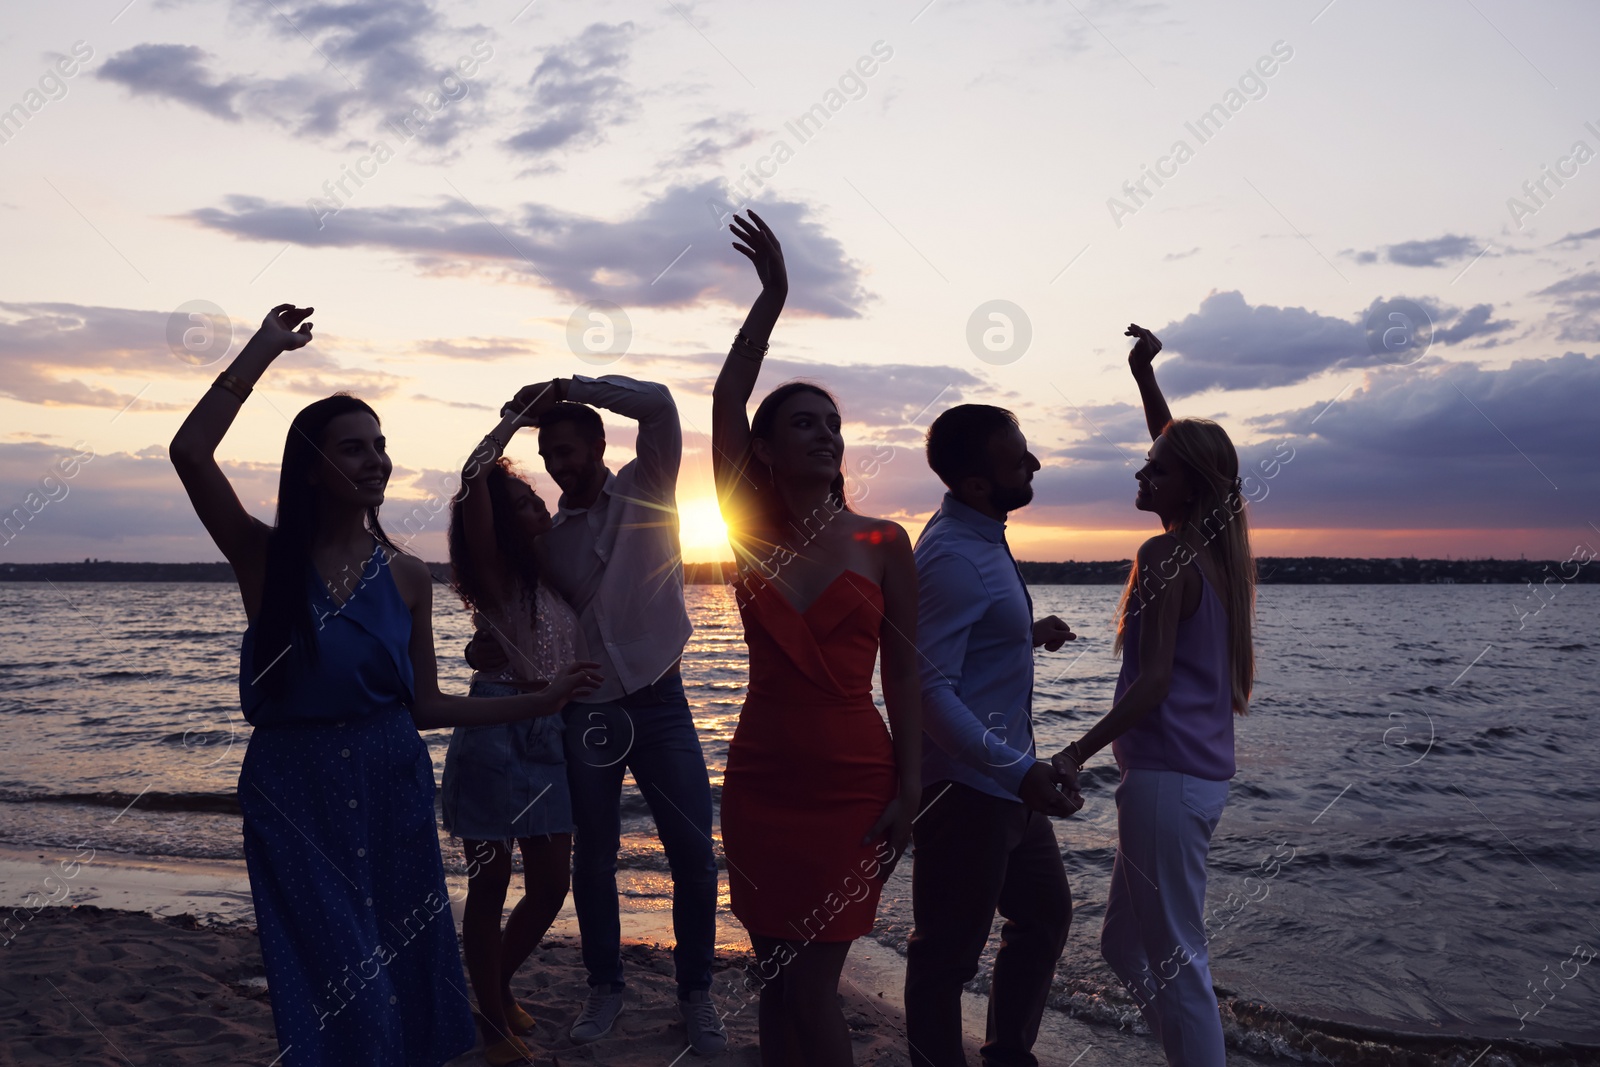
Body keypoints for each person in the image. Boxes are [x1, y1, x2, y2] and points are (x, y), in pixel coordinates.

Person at [167, 305, 602, 1067]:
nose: (376, 460)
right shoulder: (263, 559)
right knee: (339, 982)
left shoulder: (405, 575)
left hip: (391, 780)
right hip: (292, 788)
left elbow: (427, 703)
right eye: (353, 448)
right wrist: (262, 350)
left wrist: (541, 698)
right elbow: (191, 451)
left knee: (407, 971)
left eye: (381, 446)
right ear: (311, 467)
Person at [710, 210, 923, 1067]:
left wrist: (911, 787)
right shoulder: (748, 532)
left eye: (832, 426)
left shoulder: (883, 541)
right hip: (762, 776)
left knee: (809, 987)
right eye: (804, 423)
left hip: (850, 783)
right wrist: (773, 300)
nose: (826, 436)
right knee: (770, 977)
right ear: (763, 448)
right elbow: (725, 397)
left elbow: (905, 673)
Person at [489, 371, 726, 1054]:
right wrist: (513, 414)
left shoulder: (647, 485)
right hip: (588, 711)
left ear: (597, 443)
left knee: (694, 855)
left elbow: (659, 404)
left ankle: (697, 993)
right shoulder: (546, 538)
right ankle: (605, 986)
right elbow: (523, 616)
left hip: (662, 698)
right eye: (550, 456)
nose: (561, 465)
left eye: (570, 449)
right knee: (594, 858)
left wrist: (570, 385)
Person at [1051, 323, 1255, 1067]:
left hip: (1169, 781)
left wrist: (1076, 749)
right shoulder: (1213, 553)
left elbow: (1155, 682)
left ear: (1188, 486)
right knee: (1123, 947)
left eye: (1153, 471)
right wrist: (1143, 377)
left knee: (1176, 959)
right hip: (1182, 779)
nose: (1140, 476)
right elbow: (1181, 453)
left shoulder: (1167, 553)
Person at [904, 403, 1081, 1067]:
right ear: (977, 483)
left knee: (1042, 918)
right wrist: (1017, 771)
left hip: (1006, 784)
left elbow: (959, 648)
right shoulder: (952, 556)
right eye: (1019, 456)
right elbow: (928, 691)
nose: (1033, 461)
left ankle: (1009, 1056)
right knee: (944, 958)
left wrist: (1025, 636)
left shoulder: (980, 534)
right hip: (967, 789)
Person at [440, 404, 586, 1066]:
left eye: (539, 502)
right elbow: (472, 478)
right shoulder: (495, 579)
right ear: (501, 522)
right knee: (491, 883)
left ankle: (492, 987)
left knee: (553, 880)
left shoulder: (546, 577)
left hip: (547, 735)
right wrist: (511, 422)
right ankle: (494, 1018)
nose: (540, 511)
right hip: (497, 730)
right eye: (527, 505)